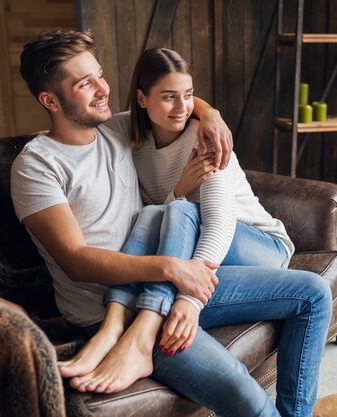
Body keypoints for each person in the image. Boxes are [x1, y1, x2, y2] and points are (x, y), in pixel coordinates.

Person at [11, 28, 332, 417]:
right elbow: (76, 260)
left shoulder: (114, 130)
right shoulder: (37, 164)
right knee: (247, 400)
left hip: (161, 284)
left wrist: (210, 114)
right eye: (84, 84)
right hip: (106, 306)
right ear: (50, 100)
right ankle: (126, 335)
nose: (102, 89)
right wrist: (172, 268)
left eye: (100, 75)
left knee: (313, 293)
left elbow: (171, 99)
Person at [60, 47, 297, 380]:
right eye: (169, 97)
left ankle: (142, 326)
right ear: (141, 99)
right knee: (159, 213)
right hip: (200, 245)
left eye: (189, 96)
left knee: (179, 211)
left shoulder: (204, 139)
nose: (182, 107)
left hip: (258, 245)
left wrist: (190, 298)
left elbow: (219, 223)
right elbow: (70, 132)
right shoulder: (124, 133)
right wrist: (179, 190)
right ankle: (114, 326)